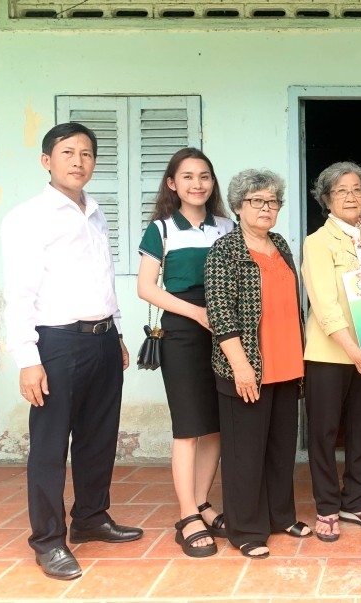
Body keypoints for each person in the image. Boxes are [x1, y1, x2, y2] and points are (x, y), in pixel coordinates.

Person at [0, 123, 142, 580]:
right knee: (49, 445)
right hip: (56, 343)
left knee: (99, 436)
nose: (78, 161)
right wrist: (28, 360)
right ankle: (48, 540)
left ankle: (91, 518)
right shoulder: (28, 217)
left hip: (102, 339)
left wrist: (116, 331)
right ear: (47, 161)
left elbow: (102, 277)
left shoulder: (95, 213)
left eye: (86, 153)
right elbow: (19, 293)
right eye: (67, 152)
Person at [205, 169, 310, 559]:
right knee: (244, 455)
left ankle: (281, 516)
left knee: (281, 450)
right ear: (238, 206)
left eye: (272, 201)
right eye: (256, 201)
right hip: (247, 367)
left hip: (286, 364)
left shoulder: (280, 244)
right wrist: (241, 366)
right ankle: (246, 528)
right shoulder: (225, 251)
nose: (266, 208)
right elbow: (220, 314)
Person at [136, 148, 234, 557]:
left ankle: (203, 503)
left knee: (215, 426)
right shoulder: (160, 229)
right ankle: (187, 515)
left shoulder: (228, 227)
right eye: (188, 176)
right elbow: (146, 288)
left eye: (205, 176)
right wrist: (196, 312)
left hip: (225, 332)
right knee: (188, 427)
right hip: (182, 333)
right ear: (172, 183)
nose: (198, 184)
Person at [302, 161, 361, 543]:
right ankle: (326, 506)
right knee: (323, 432)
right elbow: (324, 304)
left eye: (357, 189)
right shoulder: (317, 242)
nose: (351, 197)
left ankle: (356, 500)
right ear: (326, 199)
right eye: (341, 191)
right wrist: (353, 350)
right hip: (330, 352)